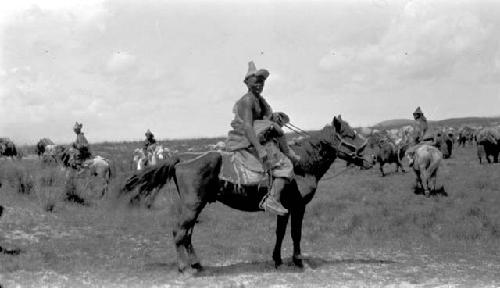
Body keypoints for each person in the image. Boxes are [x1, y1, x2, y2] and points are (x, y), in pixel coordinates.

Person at [226, 61, 299, 216]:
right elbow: (247, 126)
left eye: (262, 81)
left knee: (277, 131)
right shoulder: (247, 100)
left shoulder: (260, 100)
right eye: (257, 81)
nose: (260, 84)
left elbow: (265, 117)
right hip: (246, 138)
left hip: (257, 134)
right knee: (284, 165)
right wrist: (259, 149)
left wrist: (274, 117)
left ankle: (287, 153)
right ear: (247, 82)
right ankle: (272, 198)